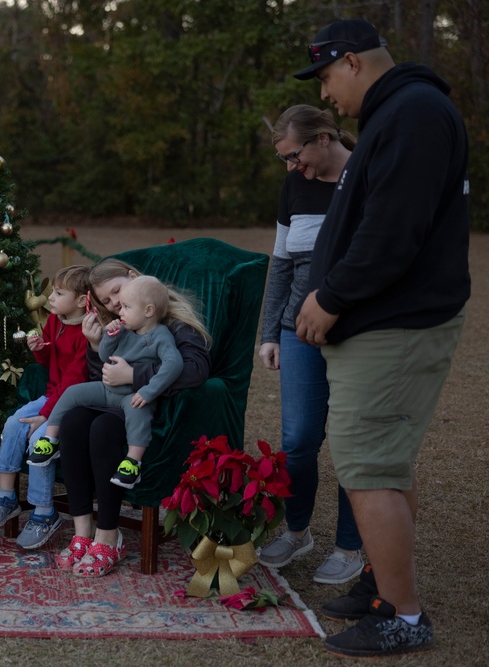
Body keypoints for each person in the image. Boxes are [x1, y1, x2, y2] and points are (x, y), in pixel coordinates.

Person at [291, 19, 469, 658]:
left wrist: (332, 298)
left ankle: (404, 615)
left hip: (396, 321)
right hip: (386, 319)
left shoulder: (414, 114)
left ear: (353, 62)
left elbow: (393, 232)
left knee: (367, 463)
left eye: (327, 78)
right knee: (382, 463)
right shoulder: (400, 113)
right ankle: (381, 584)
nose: (328, 96)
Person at [256, 104, 364, 585]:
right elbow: (281, 263)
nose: (290, 166)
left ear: (323, 137)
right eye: (283, 158)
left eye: (294, 154)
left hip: (357, 333)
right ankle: (297, 531)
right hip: (295, 332)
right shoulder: (294, 184)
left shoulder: (367, 174)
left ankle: (350, 546)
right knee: (297, 442)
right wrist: (268, 332)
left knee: (350, 444)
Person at [54, 259, 212, 577]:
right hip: (117, 401)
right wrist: (99, 344)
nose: (114, 305)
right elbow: (107, 377)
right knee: (72, 423)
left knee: (103, 428)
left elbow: (195, 369)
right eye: (108, 302)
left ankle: (109, 536)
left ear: (133, 277)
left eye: (116, 293)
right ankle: (83, 532)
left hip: (154, 410)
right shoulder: (124, 323)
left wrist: (135, 373)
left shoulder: (175, 323)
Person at [34, 275, 184, 493]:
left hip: (131, 395)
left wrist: (149, 391)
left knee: (138, 414)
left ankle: (133, 462)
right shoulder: (125, 330)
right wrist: (110, 336)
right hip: (106, 389)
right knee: (73, 393)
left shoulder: (160, 336)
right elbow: (105, 355)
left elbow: (174, 364)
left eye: (125, 307)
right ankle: (50, 439)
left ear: (148, 311)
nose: (119, 311)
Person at [0, 265, 91, 550]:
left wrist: (45, 416)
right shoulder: (56, 321)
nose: (50, 298)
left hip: (75, 404)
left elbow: (73, 382)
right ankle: (7, 497)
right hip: (53, 396)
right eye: (52, 291)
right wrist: (41, 351)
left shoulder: (90, 332)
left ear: (81, 300)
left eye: (59, 292)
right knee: (14, 423)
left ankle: (44, 512)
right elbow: (51, 366)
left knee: (42, 440)